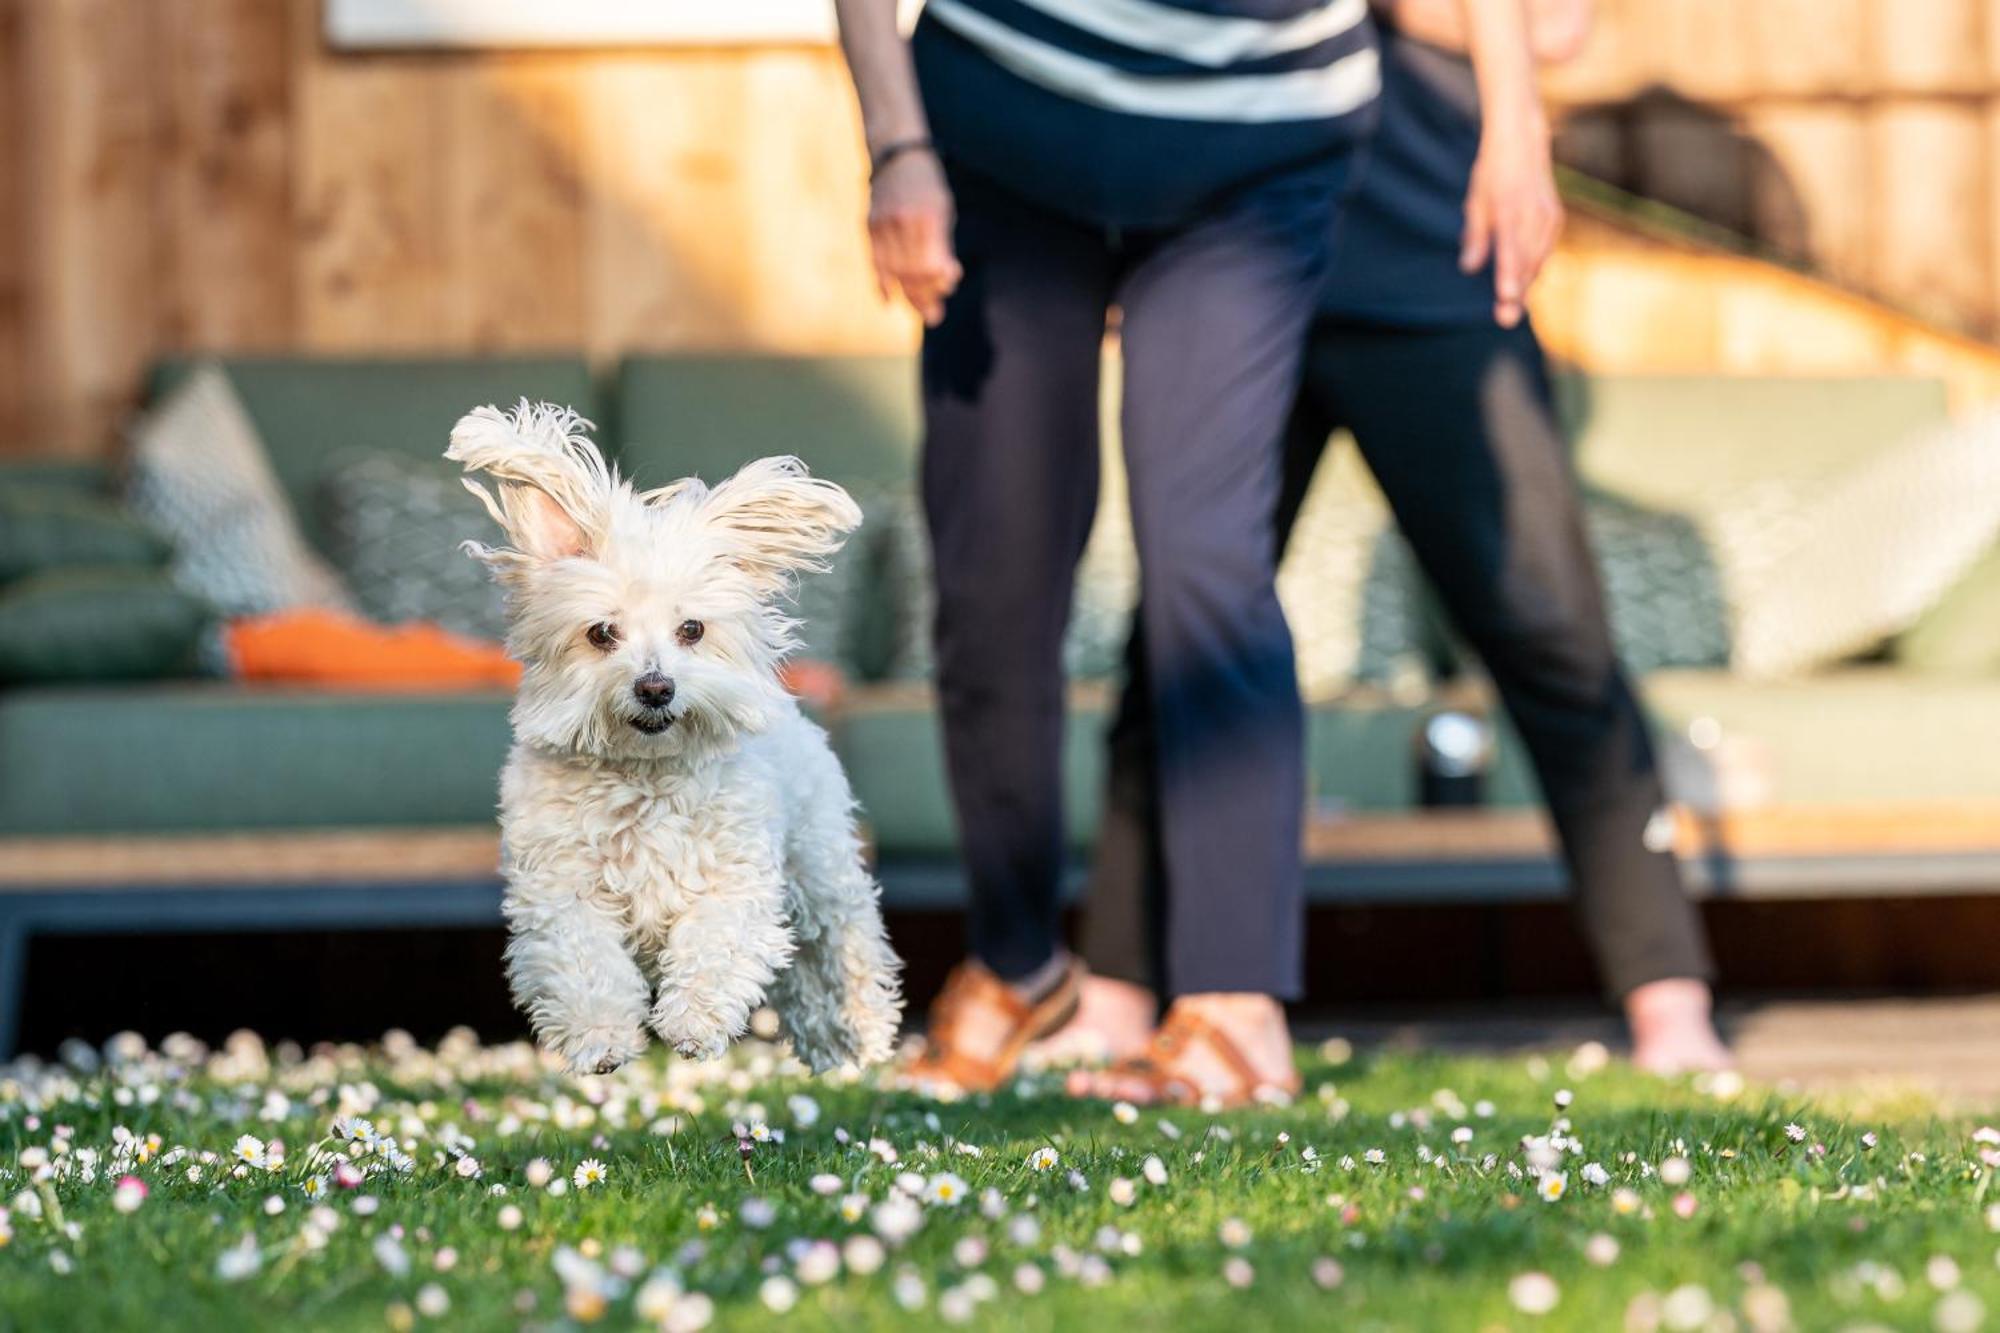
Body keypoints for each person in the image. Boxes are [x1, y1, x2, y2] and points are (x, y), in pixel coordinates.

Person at [832, 0, 1563, 1105]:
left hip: (1259, 150)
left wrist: (1513, 128)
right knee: (995, 569)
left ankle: (1235, 1008)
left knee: (1207, 553)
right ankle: (1019, 959)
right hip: (1004, 122)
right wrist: (897, 145)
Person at [1060, 0, 1733, 1093]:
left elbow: (1554, 25)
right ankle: (1113, 1000)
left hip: (1434, 257)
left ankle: (1670, 1005)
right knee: (1177, 642)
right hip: (1231, 263)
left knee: (1552, 630)